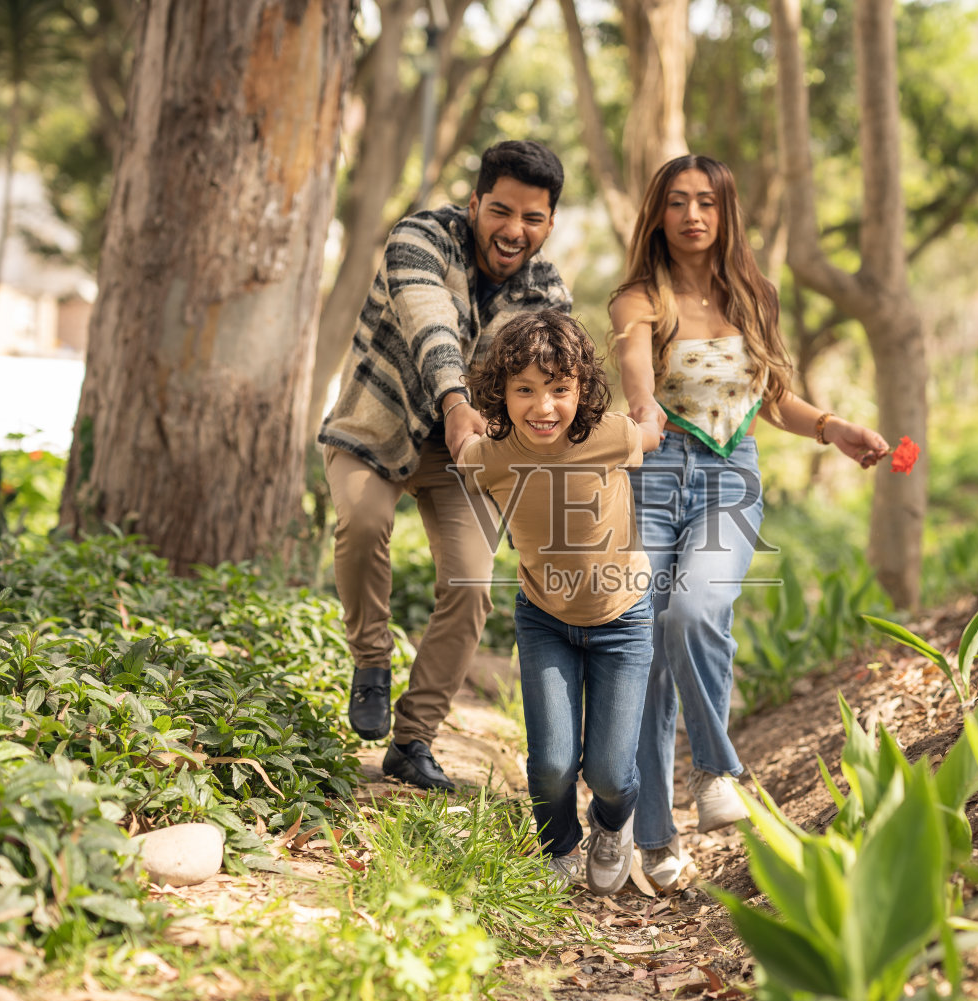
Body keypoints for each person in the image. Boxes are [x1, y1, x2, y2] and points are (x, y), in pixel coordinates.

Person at [609, 154, 890, 891]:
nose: (693, 215)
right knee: (644, 642)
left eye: (707, 201)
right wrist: (642, 410)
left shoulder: (754, 295)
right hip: (655, 476)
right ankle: (656, 836)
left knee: (692, 612)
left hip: (730, 480)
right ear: (659, 214)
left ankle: (713, 771)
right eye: (677, 202)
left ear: (726, 213)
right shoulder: (640, 297)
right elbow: (635, 362)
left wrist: (833, 427)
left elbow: (775, 399)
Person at [318, 141, 571, 792]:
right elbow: (430, 323)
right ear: (474, 204)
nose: (515, 230)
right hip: (377, 426)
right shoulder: (420, 239)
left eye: (533, 218)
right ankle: (370, 662)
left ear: (548, 224)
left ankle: (414, 739)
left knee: (471, 585)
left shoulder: (547, 292)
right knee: (365, 519)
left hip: (464, 459)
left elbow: (551, 390)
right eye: (501, 210)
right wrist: (457, 401)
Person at [455, 310, 660, 894]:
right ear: (502, 394)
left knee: (612, 774)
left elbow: (648, 432)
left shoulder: (608, 435)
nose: (543, 407)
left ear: (581, 390)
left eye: (560, 390)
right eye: (525, 390)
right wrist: (457, 413)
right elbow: (465, 446)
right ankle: (560, 844)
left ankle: (611, 825)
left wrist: (651, 414)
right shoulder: (491, 455)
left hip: (623, 621)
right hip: (544, 619)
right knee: (550, 765)